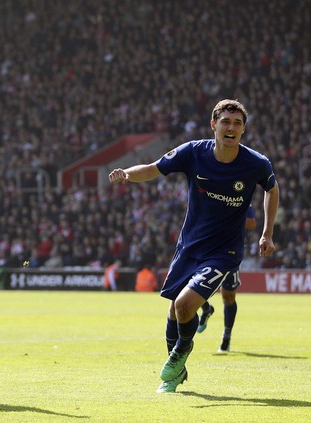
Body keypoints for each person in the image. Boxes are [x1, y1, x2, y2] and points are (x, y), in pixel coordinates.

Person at [108, 99, 279, 394]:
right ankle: (175, 374)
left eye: (237, 123)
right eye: (226, 122)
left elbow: (272, 190)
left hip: (224, 252)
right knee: (175, 309)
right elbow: (152, 168)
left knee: (185, 305)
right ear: (214, 125)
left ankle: (179, 355)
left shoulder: (256, 163)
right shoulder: (193, 152)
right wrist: (127, 174)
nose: (231, 128)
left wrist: (267, 233)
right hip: (189, 247)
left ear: (243, 130)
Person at [197, 204, 256, 352]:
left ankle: (226, 336)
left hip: (231, 252)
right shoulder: (213, 192)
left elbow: (252, 223)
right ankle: (206, 309)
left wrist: (232, 217)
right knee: (193, 285)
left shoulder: (243, 200)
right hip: (208, 248)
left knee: (228, 297)